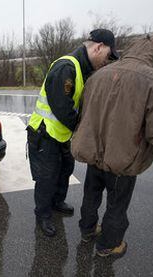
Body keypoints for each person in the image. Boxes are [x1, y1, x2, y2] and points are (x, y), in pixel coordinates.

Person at [72, 34, 153, 258]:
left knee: (91, 195)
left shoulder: (99, 75)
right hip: (123, 159)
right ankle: (109, 244)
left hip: (93, 153)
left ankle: (87, 230)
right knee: (116, 205)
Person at [27, 29, 119, 237]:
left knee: (65, 170)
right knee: (47, 178)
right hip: (45, 133)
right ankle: (43, 214)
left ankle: (57, 202)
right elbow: (63, 107)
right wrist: (85, 129)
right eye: (108, 55)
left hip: (61, 134)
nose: (108, 61)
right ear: (98, 47)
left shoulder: (82, 68)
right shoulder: (66, 67)